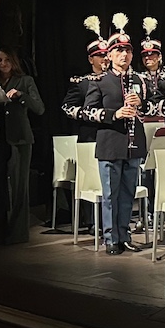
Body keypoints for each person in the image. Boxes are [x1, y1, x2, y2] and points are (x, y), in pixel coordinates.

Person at [83, 14, 150, 255]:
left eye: (128, 51)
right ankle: (111, 238)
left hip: (133, 145)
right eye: (119, 51)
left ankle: (125, 234)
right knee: (110, 195)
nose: (124, 55)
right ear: (109, 55)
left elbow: (151, 108)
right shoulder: (100, 81)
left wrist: (140, 103)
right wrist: (114, 114)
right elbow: (87, 112)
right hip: (111, 144)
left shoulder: (139, 80)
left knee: (127, 194)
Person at [0, 46, 45, 245]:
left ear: (14, 62)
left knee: (18, 187)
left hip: (20, 139)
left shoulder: (25, 81)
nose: (3, 64)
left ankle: (17, 234)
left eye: (6, 60)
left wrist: (21, 96)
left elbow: (39, 109)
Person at [60, 16, 110, 230]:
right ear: (91, 59)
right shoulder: (81, 83)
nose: (103, 59)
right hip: (89, 136)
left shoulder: (117, 81)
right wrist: (88, 114)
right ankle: (91, 221)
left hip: (111, 135)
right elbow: (66, 107)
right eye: (99, 56)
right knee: (91, 179)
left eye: (106, 54)